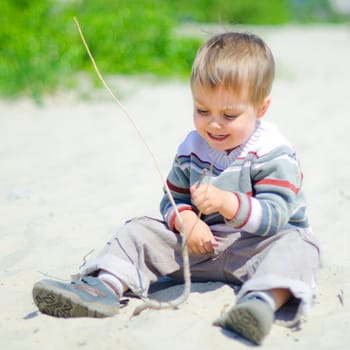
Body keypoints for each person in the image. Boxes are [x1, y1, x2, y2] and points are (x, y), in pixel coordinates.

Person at [32, 32, 321, 345]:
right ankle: (104, 288)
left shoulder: (272, 151)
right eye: (202, 110)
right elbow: (172, 200)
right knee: (139, 230)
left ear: (261, 108)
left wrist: (227, 202)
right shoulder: (192, 147)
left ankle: (260, 303)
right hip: (200, 249)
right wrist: (187, 220)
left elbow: (276, 215)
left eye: (229, 115)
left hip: (257, 248)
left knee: (300, 246)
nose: (214, 124)